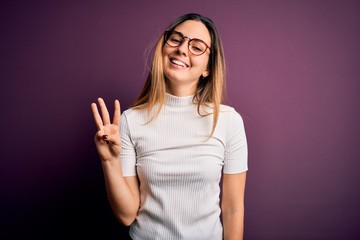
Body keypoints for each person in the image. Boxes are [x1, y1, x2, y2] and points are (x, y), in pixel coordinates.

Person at [91, 13, 248, 240]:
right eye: (176, 39)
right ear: (163, 48)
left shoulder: (229, 121)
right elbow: (126, 215)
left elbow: (233, 210)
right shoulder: (130, 120)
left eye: (196, 47)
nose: (182, 49)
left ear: (208, 68)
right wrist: (109, 161)